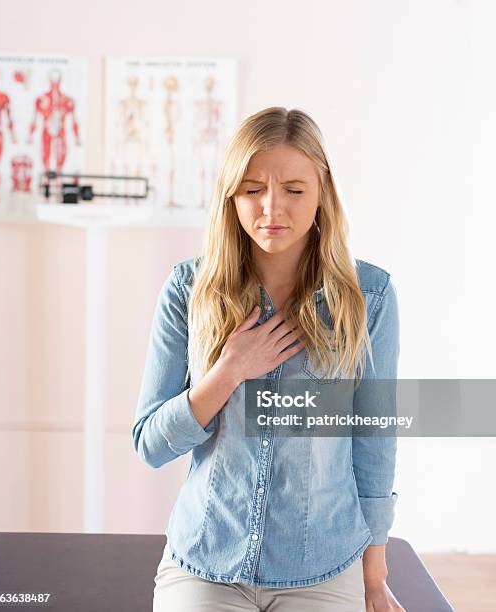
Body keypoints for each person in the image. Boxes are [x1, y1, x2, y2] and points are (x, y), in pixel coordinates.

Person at [132, 107, 405, 612]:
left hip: (322, 567)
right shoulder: (186, 291)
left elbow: (374, 444)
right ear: (231, 195)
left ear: (323, 192)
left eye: (294, 190)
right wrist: (227, 370)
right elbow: (149, 443)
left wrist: (373, 577)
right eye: (253, 188)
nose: (272, 208)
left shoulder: (371, 297)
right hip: (205, 561)